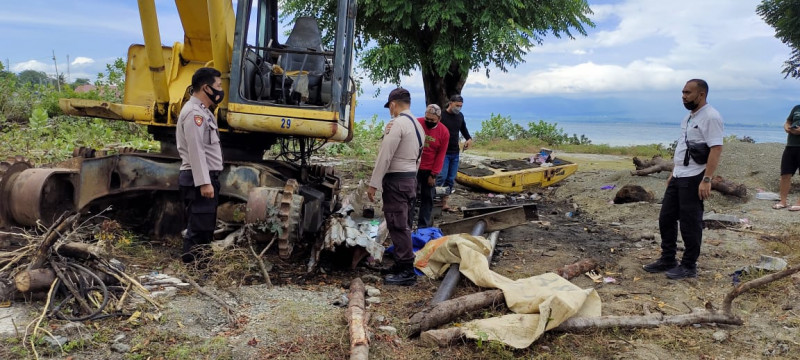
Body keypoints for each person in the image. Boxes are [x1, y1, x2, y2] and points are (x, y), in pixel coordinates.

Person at [643, 79, 723, 280]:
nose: (683, 96)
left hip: (695, 175)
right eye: (682, 92)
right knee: (666, 218)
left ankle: (689, 265)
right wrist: (673, 171)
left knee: (690, 222)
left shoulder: (711, 117)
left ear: (701, 94)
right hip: (679, 174)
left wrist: (707, 179)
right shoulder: (688, 118)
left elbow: (716, 149)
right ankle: (668, 258)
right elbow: (684, 146)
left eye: (688, 93)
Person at [367, 87, 425, 286]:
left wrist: (373, 184)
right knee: (401, 223)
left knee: (398, 225)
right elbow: (418, 158)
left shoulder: (397, 124)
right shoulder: (418, 126)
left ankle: (407, 271)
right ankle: (401, 264)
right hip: (410, 179)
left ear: (393, 104)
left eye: (389, 107)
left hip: (396, 180)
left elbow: (385, 155)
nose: (390, 110)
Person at [176, 67, 225, 263]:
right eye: (219, 86)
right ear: (206, 88)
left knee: (205, 226)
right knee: (198, 228)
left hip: (204, 177)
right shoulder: (194, 114)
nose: (221, 90)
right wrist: (204, 182)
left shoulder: (204, 112)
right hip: (198, 179)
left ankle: (202, 266)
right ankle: (194, 271)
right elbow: (196, 150)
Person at [415, 104, 450, 228]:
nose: (428, 122)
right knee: (410, 196)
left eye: (432, 120)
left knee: (427, 199)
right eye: (427, 119)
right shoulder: (417, 123)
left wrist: (433, 174)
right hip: (414, 167)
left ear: (439, 119)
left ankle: (423, 227)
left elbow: (441, 155)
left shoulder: (444, 132)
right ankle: (407, 225)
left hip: (429, 169)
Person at [437, 94, 473, 212]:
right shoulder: (441, 115)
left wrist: (468, 139)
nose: (458, 108)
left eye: (461, 106)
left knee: (451, 178)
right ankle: (434, 201)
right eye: (457, 105)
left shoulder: (460, 116)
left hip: (455, 152)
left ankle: (444, 203)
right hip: (443, 152)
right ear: (450, 103)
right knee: (441, 176)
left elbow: (463, 129)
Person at [772, 105, 800, 210]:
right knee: (785, 173)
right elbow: (788, 121)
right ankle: (783, 201)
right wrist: (787, 126)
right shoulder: (797, 108)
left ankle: (799, 203)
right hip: (791, 145)